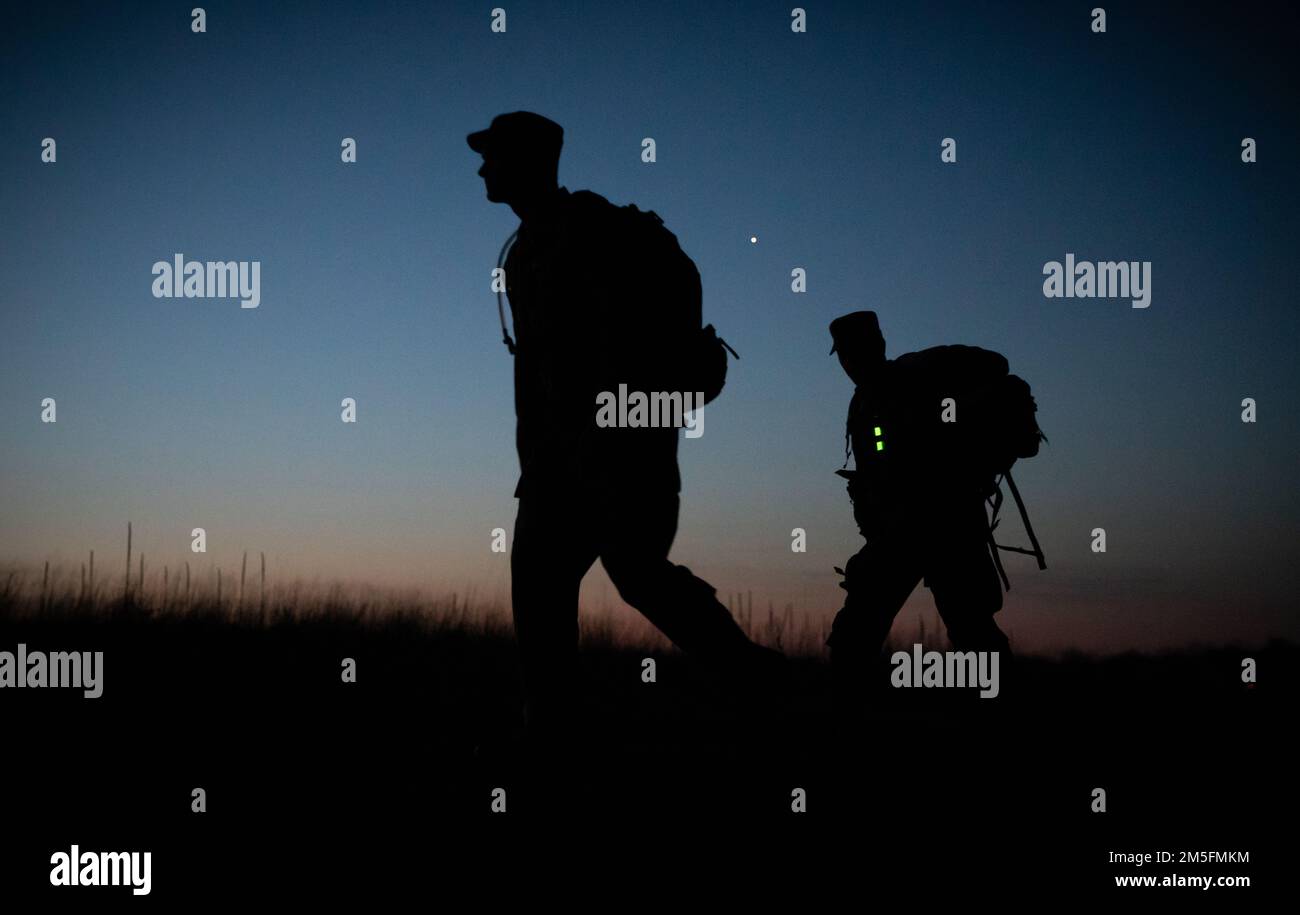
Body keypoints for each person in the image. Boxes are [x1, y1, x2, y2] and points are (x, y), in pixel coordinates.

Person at [467, 112, 783, 739]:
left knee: (635, 576)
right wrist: (536, 467)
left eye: (494, 156)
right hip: (558, 467)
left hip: (620, 455)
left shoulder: (588, 235)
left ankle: (754, 676)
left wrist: (609, 439)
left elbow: (618, 353)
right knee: (547, 586)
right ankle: (550, 731)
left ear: (528, 163)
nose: (482, 168)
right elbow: (534, 378)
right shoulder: (525, 253)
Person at [826, 311, 1012, 688]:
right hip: (899, 534)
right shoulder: (863, 401)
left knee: (971, 630)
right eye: (843, 355)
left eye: (854, 351)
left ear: (877, 346)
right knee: (858, 630)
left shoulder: (917, 372)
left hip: (944, 527)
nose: (849, 363)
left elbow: (996, 364)